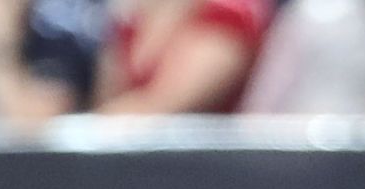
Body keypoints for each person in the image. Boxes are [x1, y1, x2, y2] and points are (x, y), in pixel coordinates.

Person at [91, 0, 271, 112]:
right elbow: (106, 101)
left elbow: (163, 107)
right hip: (134, 160)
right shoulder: (130, 20)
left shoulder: (228, 12)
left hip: (207, 164)